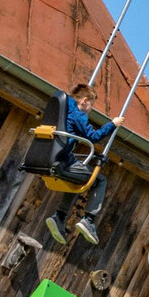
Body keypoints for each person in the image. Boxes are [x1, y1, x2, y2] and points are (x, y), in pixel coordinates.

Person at [46, 81, 116, 247]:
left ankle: (60, 216)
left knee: (77, 179)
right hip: (63, 162)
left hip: (48, 158)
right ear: (84, 101)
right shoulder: (78, 114)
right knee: (99, 180)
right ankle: (89, 220)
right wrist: (113, 124)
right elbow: (93, 136)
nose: (91, 109)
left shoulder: (61, 109)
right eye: (91, 105)